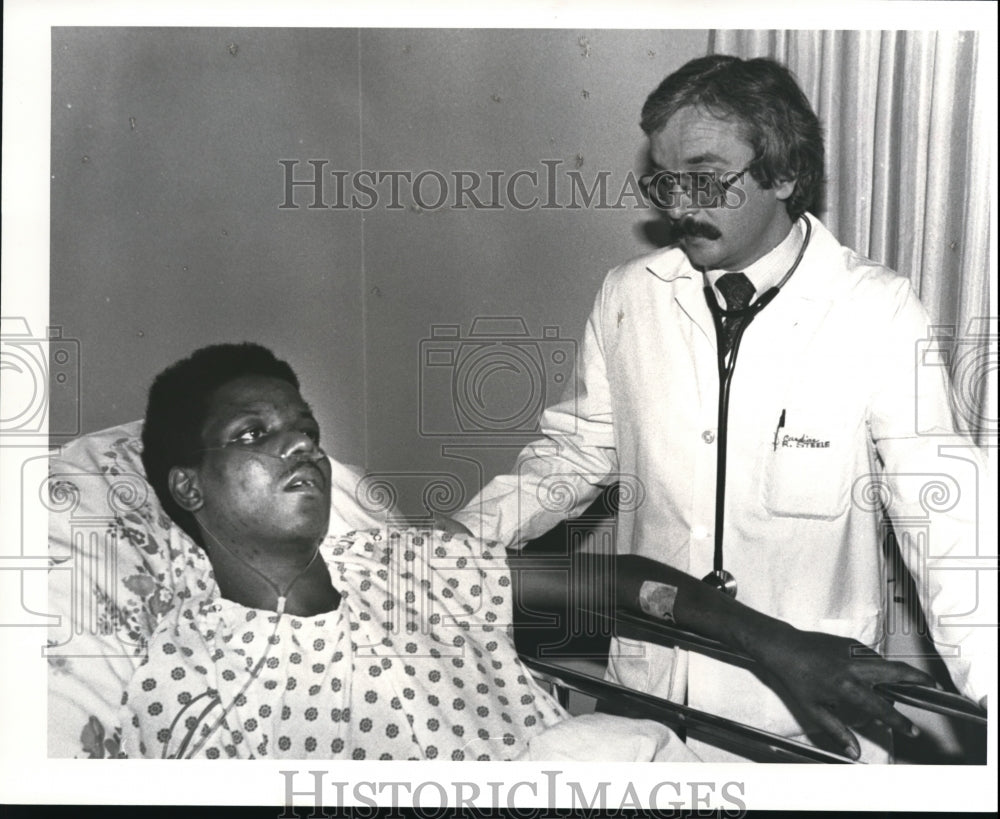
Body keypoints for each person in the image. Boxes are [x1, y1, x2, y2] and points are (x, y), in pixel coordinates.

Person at [449, 55, 992, 762]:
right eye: (663, 180)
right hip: (647, 698)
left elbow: (941, 513)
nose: (677, 206)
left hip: (802, 719)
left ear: (786, 174)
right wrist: (455, 545)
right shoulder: (631, 295)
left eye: (704, 177)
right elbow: (577, 451)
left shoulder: (876, 310)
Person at [122, 343, 931, 761]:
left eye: (306, 431)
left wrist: (777, 643)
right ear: (189, 487)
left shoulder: (407, 567)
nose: (301, 448)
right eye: (255, 436)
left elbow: (619, 585)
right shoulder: (185, 677)